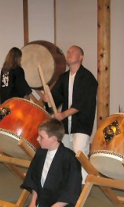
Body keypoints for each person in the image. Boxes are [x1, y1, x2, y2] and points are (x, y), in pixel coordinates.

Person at [15, 118, 82, 207]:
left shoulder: (70, 158)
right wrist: (32, 203)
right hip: (42, 202)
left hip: (61, 205)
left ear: (53, 139)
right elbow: (34, 181)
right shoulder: (40, 153)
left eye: (41, 137)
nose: (37, 139)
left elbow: (72, 190)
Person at [44, 45, 98, 183]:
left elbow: (82, 102)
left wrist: (63, 114)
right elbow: (56, 98)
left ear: (81, 57)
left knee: (79, 152)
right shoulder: (64, 77)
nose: (69, 53)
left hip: (81, 123)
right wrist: (48, 99)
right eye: (68, 52)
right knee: (67, 153)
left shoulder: (88, 78)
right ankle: (70, 182)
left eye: (73, 52)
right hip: (66, 125)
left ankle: (84, 183)